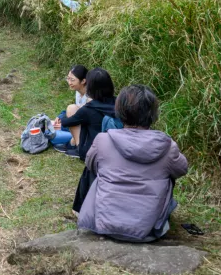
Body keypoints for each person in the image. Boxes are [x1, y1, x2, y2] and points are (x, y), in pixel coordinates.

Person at [78, 84, 188, 242]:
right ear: (153, 113)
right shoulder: (167, 146)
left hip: (106, 227)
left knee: (99, 168)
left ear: (120, 111)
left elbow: (90, 164)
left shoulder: (103, 140)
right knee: (169, 174)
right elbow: (182, 169)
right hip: (148, 232)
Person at [63, 68, 117, 213]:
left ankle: (77, 145)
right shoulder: (119, 104)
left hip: (93, 153)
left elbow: (67, 122)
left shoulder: (89, 109)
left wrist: (60, 119)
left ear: (89, 87)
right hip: (116, 150)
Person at [50, 65, 89, 154]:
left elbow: (82, 115)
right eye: (68, 78)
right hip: (80, 121)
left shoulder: (90, 96)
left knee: (57, 130)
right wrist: (60, 117)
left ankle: (78, 145)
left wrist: (64, 124)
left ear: (83, 81)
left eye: (72, 80)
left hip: (87, 126)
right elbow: (78, 109)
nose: (69, 82)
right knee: (53, 127)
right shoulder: (78, 92)